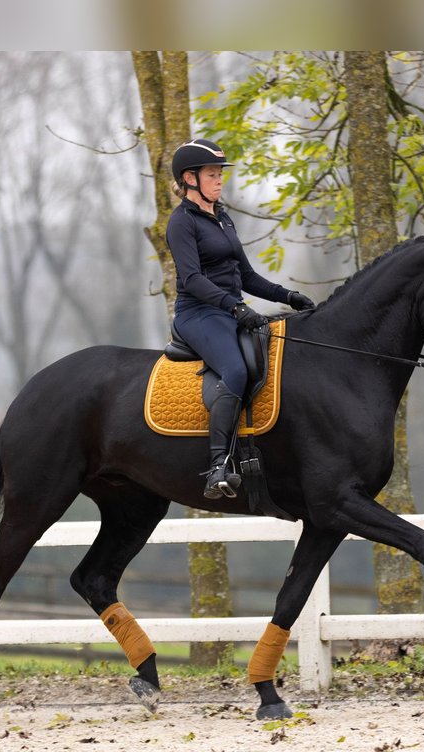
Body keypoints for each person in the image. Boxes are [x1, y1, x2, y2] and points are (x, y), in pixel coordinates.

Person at [164, 138, 314, 500]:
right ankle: (218, 465)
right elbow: (193, 279)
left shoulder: (222, 217)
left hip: (229, 308)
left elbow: (245, 275)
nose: (219, 181)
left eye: (220, 175)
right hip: (198, 313)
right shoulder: (181, 223)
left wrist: (288, 296)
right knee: (235, 369)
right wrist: (236, 308)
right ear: (190, 178)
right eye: (213, 175)